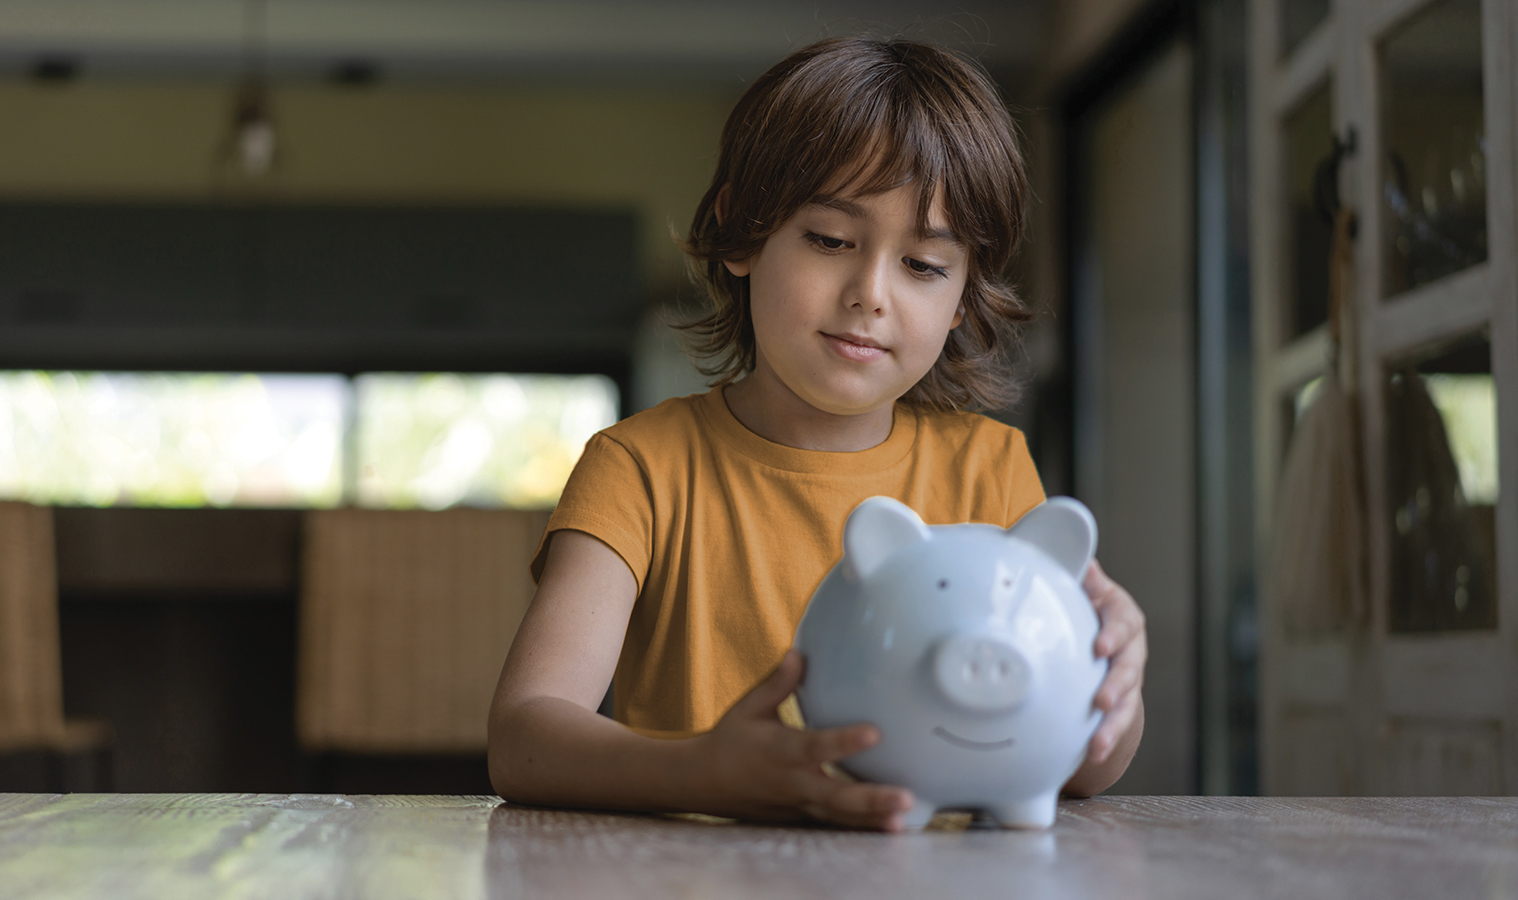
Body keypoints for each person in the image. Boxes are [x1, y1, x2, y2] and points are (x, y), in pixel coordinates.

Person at [488, 35, 1146, 832]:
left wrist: (1112, 686)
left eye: (925, 266)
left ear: (966, 295)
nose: (870, 294)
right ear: (739, 234)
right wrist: (699, 771)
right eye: (831, 241)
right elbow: (524, 738)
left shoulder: (991, 469)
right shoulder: (641, 468)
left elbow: (1079, 771)